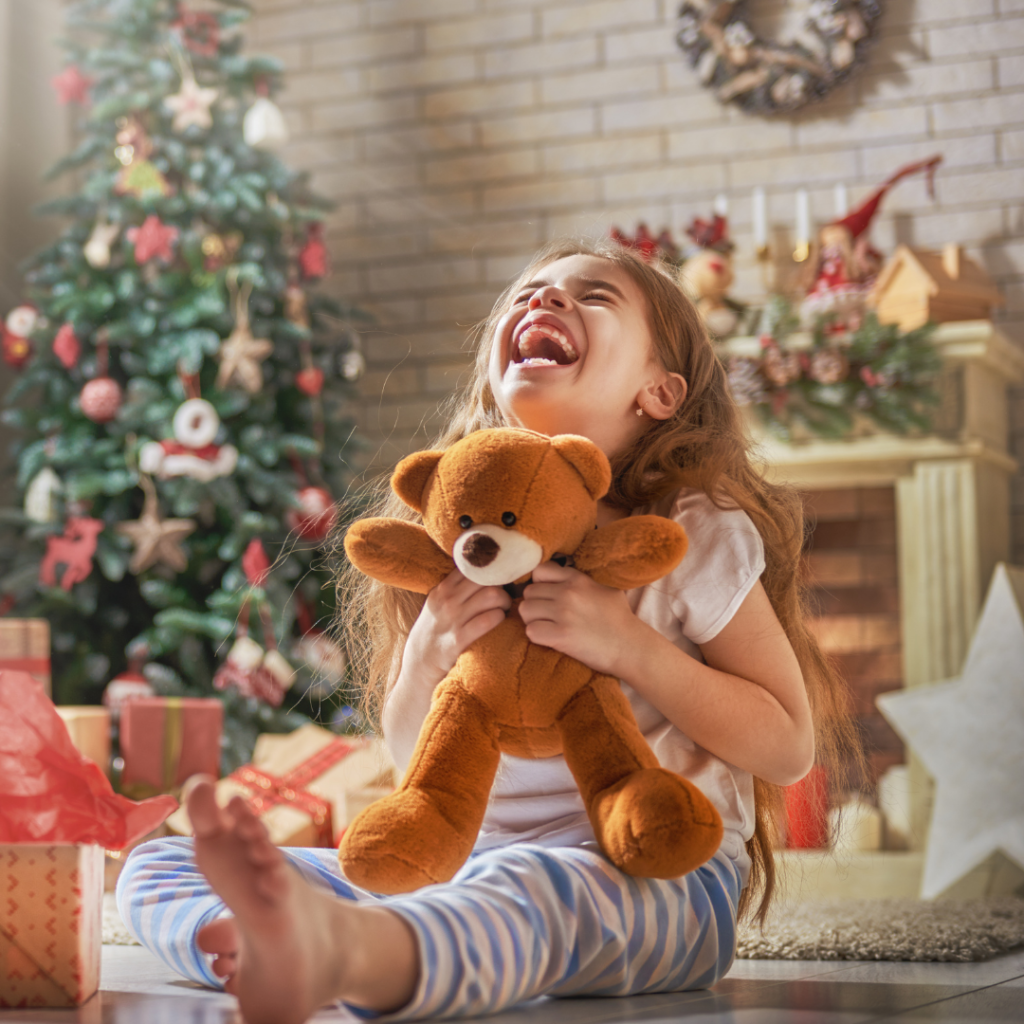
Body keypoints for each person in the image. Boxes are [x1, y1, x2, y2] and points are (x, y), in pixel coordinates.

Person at [117, 240, 861, 1024]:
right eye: (530, 293)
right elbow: (416, 761)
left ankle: (349, 954)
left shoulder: (686, 532)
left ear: (660, 391)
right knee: (161, 865)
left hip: (651, 876)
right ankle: (250, 940)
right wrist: (425, 660)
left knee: (531, 894)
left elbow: (786, 745)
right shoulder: (458, 546)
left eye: (594, 296)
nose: (544, 301)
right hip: (466, 867)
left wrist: (626, 646)